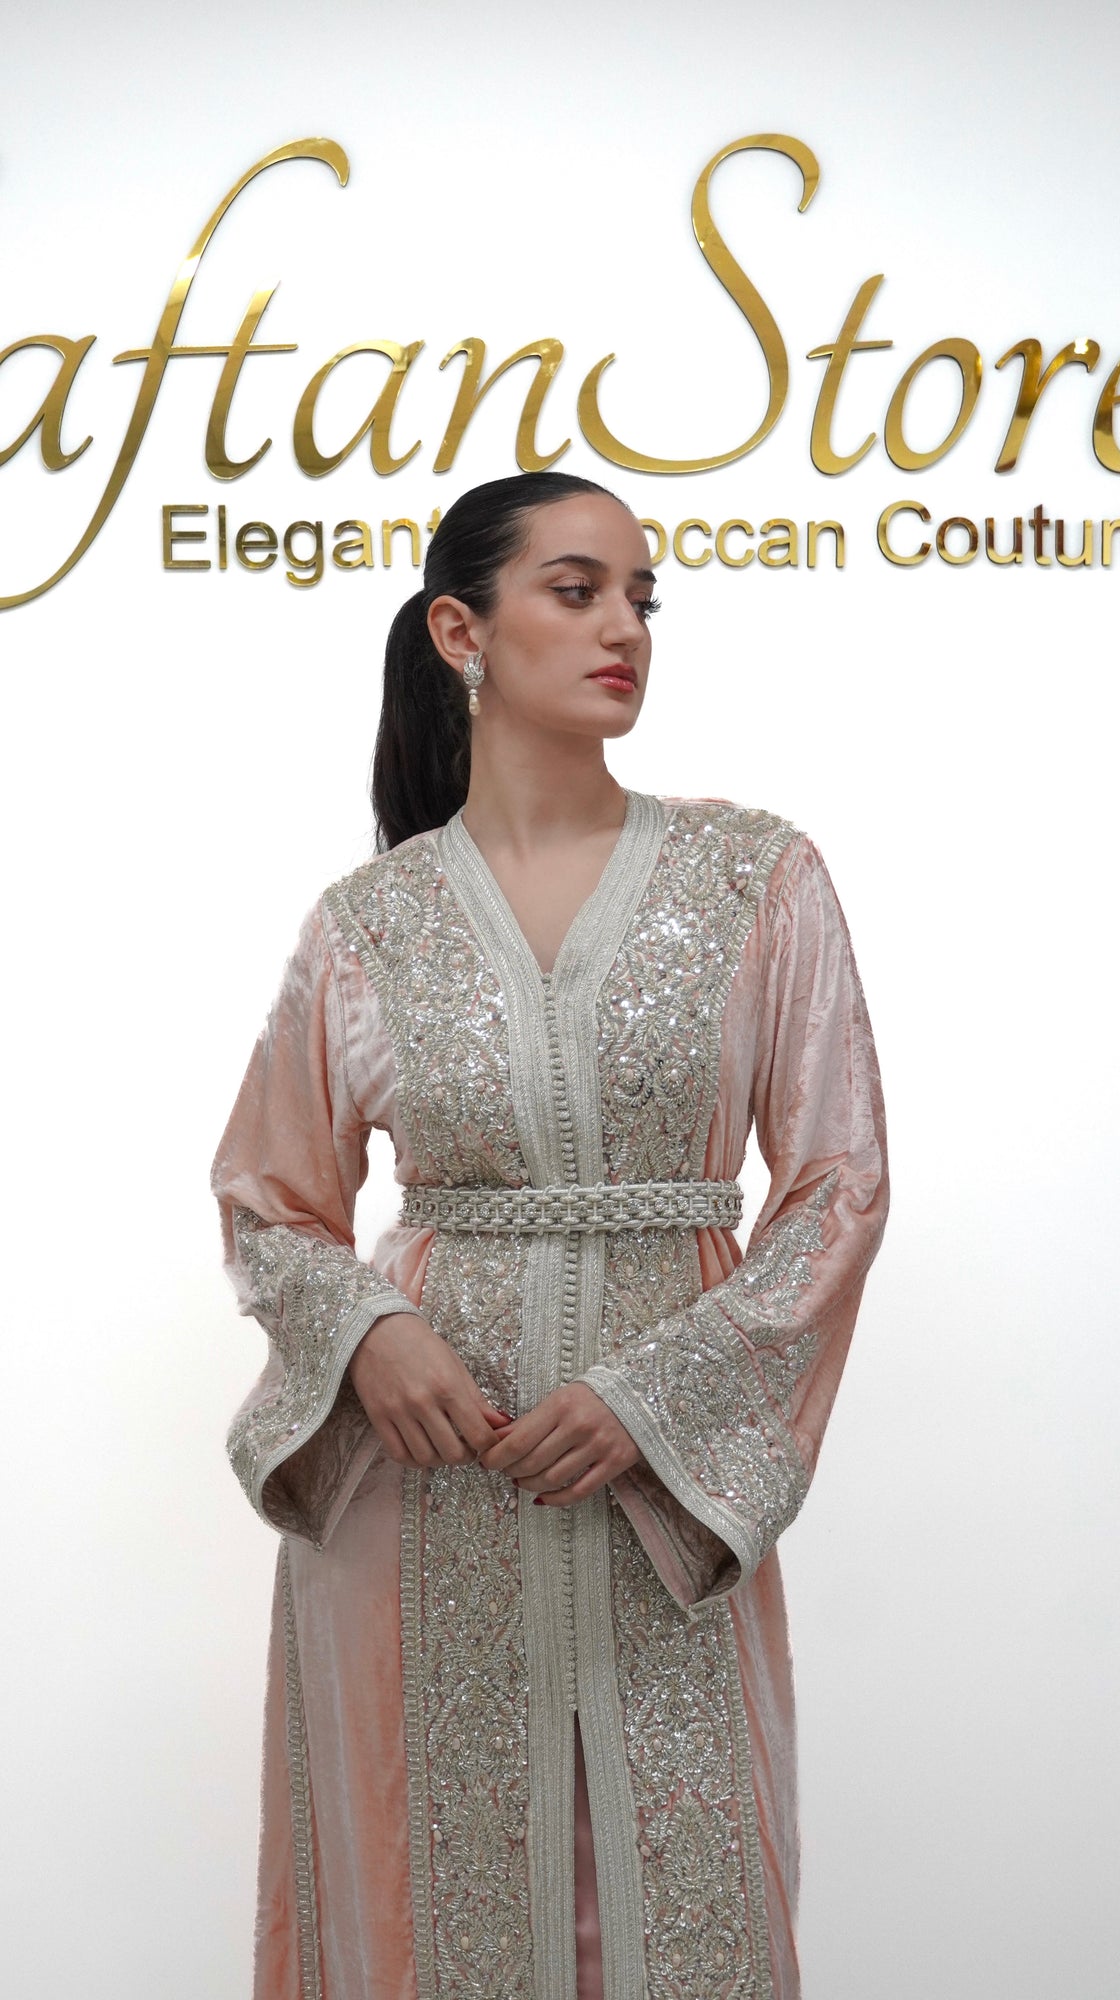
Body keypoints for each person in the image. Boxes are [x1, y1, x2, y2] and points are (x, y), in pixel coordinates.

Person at [212, 469, 889, 2000]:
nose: (624, 629)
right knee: (430, 1892)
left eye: (642, 598)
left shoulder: (757, 876)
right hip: (426, 1483)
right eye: (576, 591)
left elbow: (840, 1180)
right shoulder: (368, 922)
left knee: (683, 1885)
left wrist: (658, 1397)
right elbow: (267, 1198)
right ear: (462, 631)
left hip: (665, 1489)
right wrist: (368, 1333)